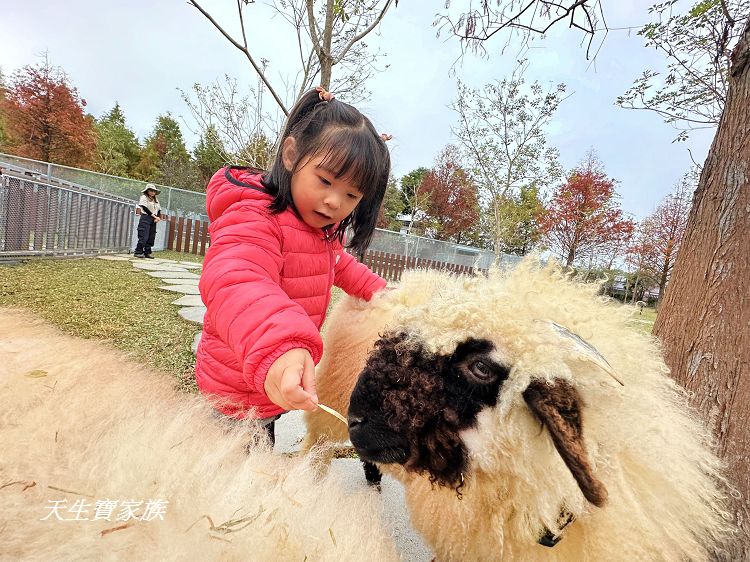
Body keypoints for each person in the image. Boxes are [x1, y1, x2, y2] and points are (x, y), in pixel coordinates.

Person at [195, 87, 391, 446]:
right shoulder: (254, 216)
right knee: (232, 479)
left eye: (351, 195)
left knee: (260, 451)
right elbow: (237, 278)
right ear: (290, 155)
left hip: (272, 380)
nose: (334, 201)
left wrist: (385, 294)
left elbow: (341, 266)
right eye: (326, 181)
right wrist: (281, 344)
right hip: (238, 383)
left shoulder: (320, 232)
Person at [134, 184, 163, 258]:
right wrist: (153, 216)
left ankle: (147, 252)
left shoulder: (155, 200)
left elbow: (159, 209)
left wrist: (158, 217)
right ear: (147, 191)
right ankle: (138, 251)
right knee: (144, 235)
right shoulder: (144, 197)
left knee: (151, 236)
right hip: (146, 218)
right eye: (151, 190)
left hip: (154, 220)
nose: (153, 192)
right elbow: (144, 207)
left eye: (154, 191)